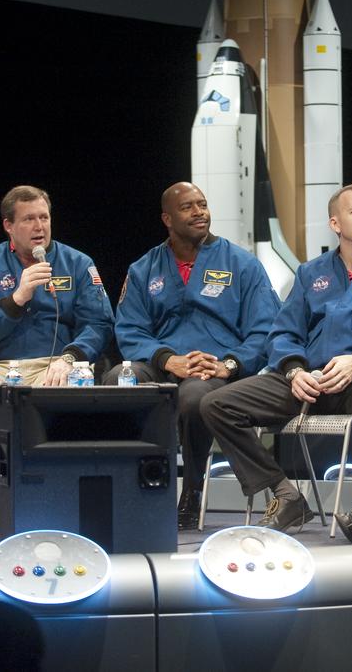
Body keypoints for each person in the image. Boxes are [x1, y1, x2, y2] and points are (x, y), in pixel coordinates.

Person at [200, 183, 352, 542]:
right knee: (215, 403)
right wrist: (294, 371)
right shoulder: (312, 273)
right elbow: (281, 334)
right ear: (335, 223)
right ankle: (285, 494)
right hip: (307, 382)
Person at [111, 182, 280, 530]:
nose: (199, 212)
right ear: (167, 218)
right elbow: (128, 329)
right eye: (188, 207)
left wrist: (228, 365)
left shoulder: (242, 265)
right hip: (164, 364)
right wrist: (165, 358)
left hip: (214, 370)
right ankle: (126, 487)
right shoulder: (144, 269)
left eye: (202, 204)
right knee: (116, 381)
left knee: (193, 397)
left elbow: (266, 332)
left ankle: (191, 490)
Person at [0, 185, 114, 527]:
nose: (39, 226)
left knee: (74, 389)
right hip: (1, 367)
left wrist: (71, 356)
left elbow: (100, 323)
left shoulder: (77, 263)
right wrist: (17, 297)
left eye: (44, 217)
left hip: (58, 363)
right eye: (29, 219)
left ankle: (70, 491)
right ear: (9, 226)